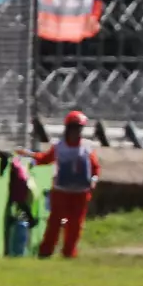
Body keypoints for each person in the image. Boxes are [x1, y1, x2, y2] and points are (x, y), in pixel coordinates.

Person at [17, 111, 100, 259]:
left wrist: (94, 180)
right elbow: (45, 159)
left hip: (81, 192)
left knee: (75, 225)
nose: (77, 131)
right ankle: (45, 252)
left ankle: (69, 252)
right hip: (61, 191)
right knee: (54, 223)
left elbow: (95, 167)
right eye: (74, 128)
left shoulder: (87, 147)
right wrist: (30, 155)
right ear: (68, 128)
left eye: (79, 128)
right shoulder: (59, 146)